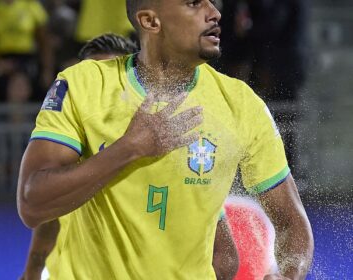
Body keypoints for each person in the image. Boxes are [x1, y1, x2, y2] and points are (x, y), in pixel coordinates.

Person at [17, 0, 314, 279]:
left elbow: (291, 221)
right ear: (150, 20)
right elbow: (32, 205)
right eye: (193, 3)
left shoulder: (242, 105)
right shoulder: (83, 85)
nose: (214, 12)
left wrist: (288, 273)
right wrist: (130, 148)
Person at [20, 33, 238, 280]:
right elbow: (47, 217)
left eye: (112, 78)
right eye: (93, 76)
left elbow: (225, 255)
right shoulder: (71, 155)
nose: (102, 88)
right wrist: (32, 271)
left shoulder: (170, 155)